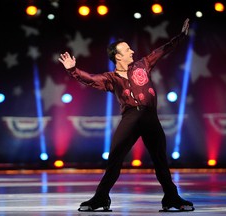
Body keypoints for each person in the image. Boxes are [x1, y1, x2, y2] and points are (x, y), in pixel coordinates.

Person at [58, 18, 194, 212]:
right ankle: (101, 198)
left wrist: (180, 36)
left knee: (160, 160)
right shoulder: (110, 79)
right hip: (130, 118)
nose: (132, 51)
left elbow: (163, 50)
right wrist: (73, 69)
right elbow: (90, 79)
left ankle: (171, 197)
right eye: (127, 49)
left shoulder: (142, 65)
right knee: (114, 159)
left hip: (149, 117)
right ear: (118, 56)